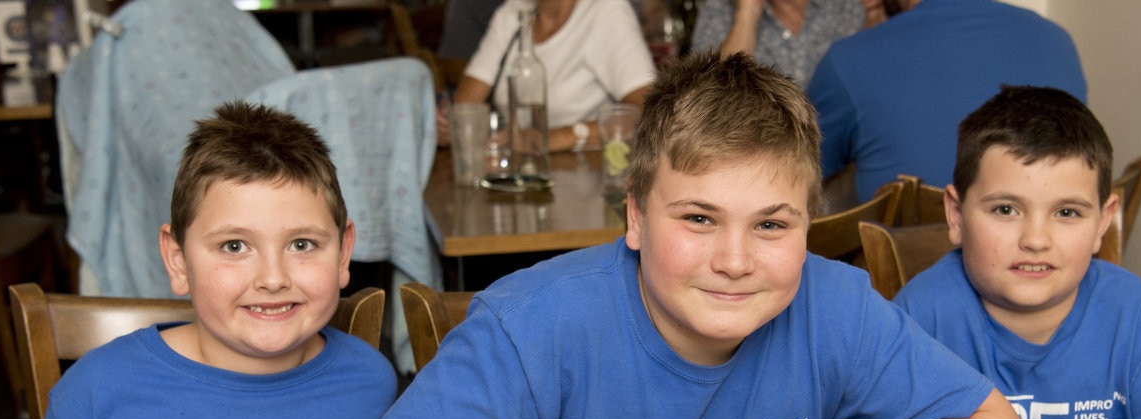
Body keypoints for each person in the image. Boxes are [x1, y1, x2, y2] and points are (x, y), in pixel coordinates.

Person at [362, 51, 1033, 419]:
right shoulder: (538, 320)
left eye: (772, 226)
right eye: (699, 218)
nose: (735, 260)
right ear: (635, 217)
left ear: (807, 224)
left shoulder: (835, 306)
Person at [2, 102, 398, 419]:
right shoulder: (94, 394)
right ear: (176, 260)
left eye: (302, 244)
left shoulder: (370, 382)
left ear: (343, 252)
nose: (272, 278)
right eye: (234, 246)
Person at [893, 86, 1141, 419]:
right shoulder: (919, 318)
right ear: (956, 215)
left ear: (1103, 222)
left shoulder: (1135, 317)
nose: (1036, 240)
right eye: (1006, 210)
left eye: (1067, 212)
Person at [808, 0, 1086, 201]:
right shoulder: (1057, 40)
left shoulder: (848, 59)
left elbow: (794, 174)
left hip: (900, 276)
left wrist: (872, 39)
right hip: (1054, 273)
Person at [446, 0, 655, 152]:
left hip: (587, 178)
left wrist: (559, 137)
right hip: (519, 175)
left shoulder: (606, 11)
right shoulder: (512, 12)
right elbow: (463, 108)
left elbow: (650, 111)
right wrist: (448, 127)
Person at [689, 0, 865, 87]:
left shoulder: (847, 6)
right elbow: (714, 97)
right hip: (759, 149)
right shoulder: (718, 8)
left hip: (841, 148)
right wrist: (747, 13)